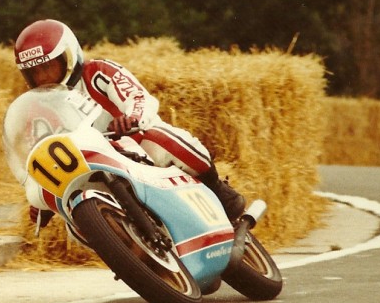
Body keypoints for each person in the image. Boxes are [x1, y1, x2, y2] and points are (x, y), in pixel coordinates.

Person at [13, 18, 247, 227]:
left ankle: (215, 187)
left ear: (68, 57)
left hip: (135, 147)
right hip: (94, 169)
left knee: (158, 138)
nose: (42, 77)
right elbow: (42, 154)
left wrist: (132, 118)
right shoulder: (39, 109)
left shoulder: (97, 72)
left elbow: (137, 96)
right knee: (74, 215)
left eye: (47, 67)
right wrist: (43, 197)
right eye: (34, 72)